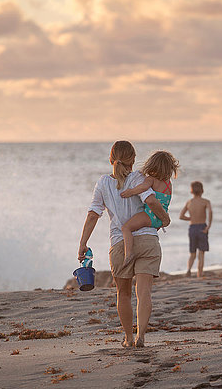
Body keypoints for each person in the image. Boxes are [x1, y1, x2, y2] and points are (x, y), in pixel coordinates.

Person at [78, 141, 170, 348]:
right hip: (147, 240)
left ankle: (128, 338)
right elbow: (152, 201)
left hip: (120, 243)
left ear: (111, 159)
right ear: (133, 160)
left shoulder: (103, 183)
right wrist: (165, 219)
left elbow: (93, 215)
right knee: (144, 292)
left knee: (124, 293)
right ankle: (141, 337)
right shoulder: (139, 177)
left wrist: (83, 243)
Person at [119, 151, 180, 272]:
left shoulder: (151, 179)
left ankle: (128, 254)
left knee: (126, 228)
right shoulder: (169, 184)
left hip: (150, 215)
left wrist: (130, 192)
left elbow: (143, 188)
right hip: (160, 219)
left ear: (152, 165)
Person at [179, 181, 212, 278]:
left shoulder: (189, 202)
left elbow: (181, 216)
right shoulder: (206, 202)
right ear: (202, 190)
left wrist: (190, 218)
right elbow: (210, 212)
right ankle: (199, 274)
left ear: (191, 191)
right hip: (202, 227)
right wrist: (208, 226)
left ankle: (188, 270)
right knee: (201, 253)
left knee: (192, 253)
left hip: (192, 228)